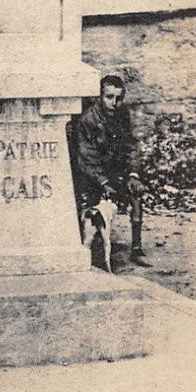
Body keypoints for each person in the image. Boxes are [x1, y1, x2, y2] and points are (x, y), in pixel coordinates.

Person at [74, 74, 150, 266]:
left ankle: (136, 248)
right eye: (109, 97)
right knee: (89, 206)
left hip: (115, 174)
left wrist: (133, 175)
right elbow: (86, 158)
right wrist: (103, 182)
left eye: (118, 98)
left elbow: (131, 146)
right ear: (100, 97)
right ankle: (91, 246)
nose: (114, 103)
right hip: (92, 177)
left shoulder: (122, 115)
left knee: (136, 192)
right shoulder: (88, 120)